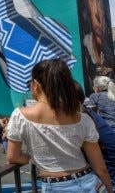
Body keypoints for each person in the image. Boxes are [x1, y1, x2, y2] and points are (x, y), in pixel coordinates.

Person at [7, 59, 112, 192]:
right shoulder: (83, 119)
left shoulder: (21, 117)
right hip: (89, 183)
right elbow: (100, 168)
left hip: (55, 186)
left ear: (36, 85)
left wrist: (31, 156)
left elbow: (13, 157)